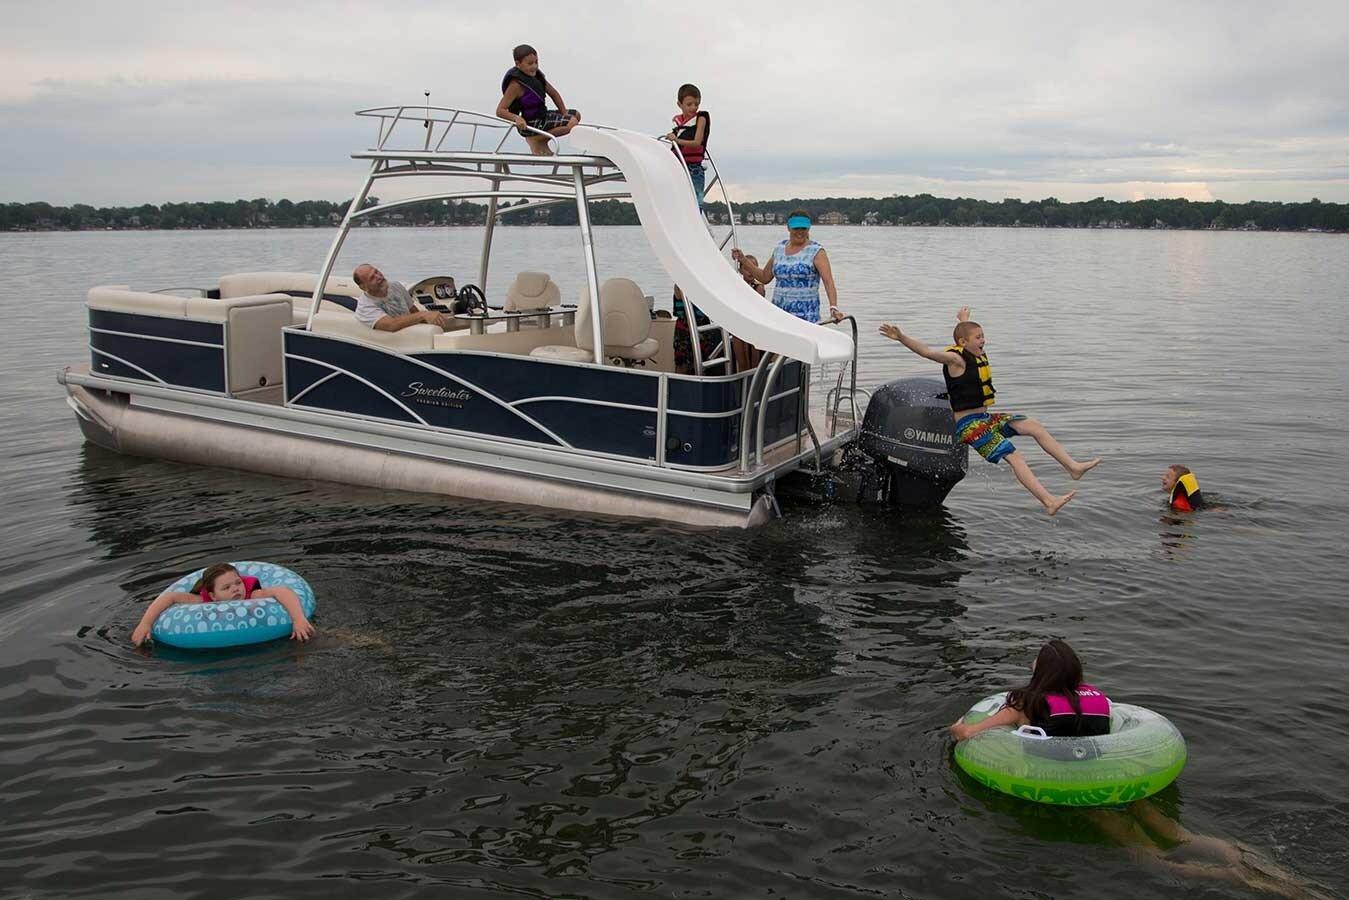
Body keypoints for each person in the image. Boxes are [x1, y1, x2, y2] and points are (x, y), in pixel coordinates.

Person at [879, 308, 1099, 515]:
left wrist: (964, 319)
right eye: (978, 337)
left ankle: (1073, 467)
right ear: (963, 343)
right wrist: (902, 337)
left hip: (984, 419)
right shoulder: (956, 360)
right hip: (970, 426)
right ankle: (1049, 501)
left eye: (983, 336)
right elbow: (927, 352)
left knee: (1033, 426)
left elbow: (965, 333)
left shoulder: (974, 351)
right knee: (1015, 457)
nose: (983, 340)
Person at [950, 639, 1109, 740]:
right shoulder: (1098, 697)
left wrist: (957, 726)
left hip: (1042, 772)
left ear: (1042, 668)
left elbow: (967, 734)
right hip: (1092, 770)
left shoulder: (1028, 702)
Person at [130, 563, 315, 646]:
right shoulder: (202, 600)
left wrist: (298, 618)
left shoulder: (252, 596)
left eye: (237, 583)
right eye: (227, 587)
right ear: (213, 595)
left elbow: (283, 591)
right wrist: (145, 624)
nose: (236, 589)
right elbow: (169, 598)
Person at [733, 211, 844, 324]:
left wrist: (833, 308)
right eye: (796, 228)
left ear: (808, 228)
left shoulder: (816, 251)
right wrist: (743, 259)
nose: (800, 232)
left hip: (806, 317)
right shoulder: (779, 249)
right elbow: (764, 277)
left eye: (803, 228)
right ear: (789, 228)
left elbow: (828, 282)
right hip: (779, 315)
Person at [496, 44, 580, 156]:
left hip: (542, 116)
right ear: (518, 64)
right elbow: (500, 111)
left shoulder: (537, 78)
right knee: (572, 123)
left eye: (536, 62)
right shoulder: (516, 85)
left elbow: (554, 94)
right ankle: (535, 139)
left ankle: (543, 140)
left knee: (576, 115)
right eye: (530, 63)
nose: (534, 66)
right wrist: (516, 118)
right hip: (530, 124)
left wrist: (564, 112)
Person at [352, 264, 448, 332]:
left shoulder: (396, 286)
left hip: (414, 333)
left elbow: (412, 310)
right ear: (363, 287)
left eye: (376, 272)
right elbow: (391, 325)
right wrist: (423, 315)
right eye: (372, 278)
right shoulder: (365, 306)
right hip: (396, 341)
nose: (378, 277)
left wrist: (428, 321)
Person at [665, 83, 710, 208]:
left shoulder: (701, 119)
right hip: (678, 165)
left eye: (696, 104)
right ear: (680, 104)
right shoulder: (677, 122)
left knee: (696, 202)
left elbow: (697, 142)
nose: (693, 108)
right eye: (689, 104)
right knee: (677, 201)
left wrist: (676, 140)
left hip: (694, 168)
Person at [732, 255, 765, 372]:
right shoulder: (737, 287)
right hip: (739, 328)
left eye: (753, 268)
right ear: (741, 270)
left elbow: (755, 309)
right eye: (747, 268)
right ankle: (742, 387)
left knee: (753, 365)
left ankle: (753, 387)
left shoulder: (758, 287)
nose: (750, 272)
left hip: (753, 329)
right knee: (742, 364)